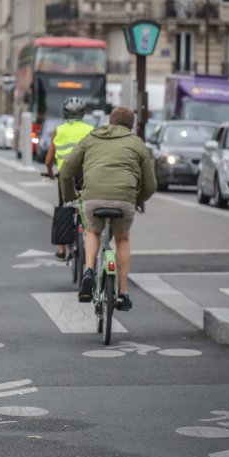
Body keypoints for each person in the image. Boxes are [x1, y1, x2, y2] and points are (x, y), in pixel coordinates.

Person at [60, 106, 156, 311]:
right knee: (122, 239)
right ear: (131, 126)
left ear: (109, 121)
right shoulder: (136, 144)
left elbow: (66, 171)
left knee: (93, 231)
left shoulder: (91, 138)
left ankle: (88, 271)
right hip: (125, 199)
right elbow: (151, 185)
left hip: (93, 198)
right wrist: (136, 200)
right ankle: (123, 294)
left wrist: (70, 196)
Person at [45, 97, 94, 259]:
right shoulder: (91, 130)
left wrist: (50, 173)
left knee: (64, 207)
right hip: (86, 174)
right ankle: (90, 237)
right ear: (83, 113)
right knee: (87, 206)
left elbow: (48, 160)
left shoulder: (59, 131)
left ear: (64, 114)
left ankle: (61, 250)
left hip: (65, 176)